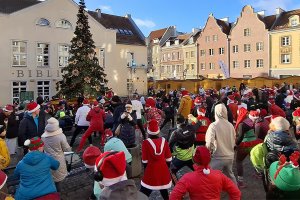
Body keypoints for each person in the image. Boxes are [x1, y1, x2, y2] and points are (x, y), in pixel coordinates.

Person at [169, 146, 241, 200]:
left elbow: (173, 197)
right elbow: (236, 192)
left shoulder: (187, 178)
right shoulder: (219, 175)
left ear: (194, 160)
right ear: (209, 159)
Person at [205, 103, 237, 184]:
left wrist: (209, 152)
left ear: (215, 112)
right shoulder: (230, 125)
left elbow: (209, 143)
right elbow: (234, 140)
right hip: (230, 156)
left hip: (218, 157)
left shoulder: (213, 125)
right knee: (230, 175)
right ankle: (235, 193)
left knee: (209, 176)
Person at [140, 119, 172, 200]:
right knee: (163, 188)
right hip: (163, 168)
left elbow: (144, 161)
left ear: (148, 131)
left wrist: (146, 170)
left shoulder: (145, 143)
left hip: (151, 169)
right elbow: (168, 158)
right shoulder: (164, 141)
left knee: (145, 191)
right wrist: (166, 167)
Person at [41, 117, 71, 192]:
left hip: (47, 160)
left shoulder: (43, 136)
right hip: (59, 160)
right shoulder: (61, 136)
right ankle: (57, 194)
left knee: (50, 177)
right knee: (58, 179)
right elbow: (67, 149)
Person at [235, 108, 262, 188]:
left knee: (239, 161)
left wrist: (236, 144)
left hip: (245, 144)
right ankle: (258, 173)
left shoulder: (242, 124)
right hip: (253, 143)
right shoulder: (250, 122)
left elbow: (240, 137)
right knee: (253, 158)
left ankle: (240, 182)